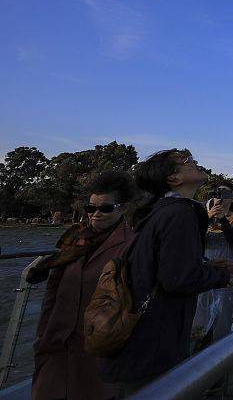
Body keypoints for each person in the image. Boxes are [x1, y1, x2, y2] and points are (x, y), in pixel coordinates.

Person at [100, 150, 233, 396]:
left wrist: (205, 267)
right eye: (187, 162)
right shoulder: (179, 213)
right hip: (154, 341)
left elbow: (166, 267)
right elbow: (176, 279)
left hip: (140, 339)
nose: (195, 161)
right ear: (173, 179)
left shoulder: (164, 211)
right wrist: (221, 277)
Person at [29, 170, 135, 400]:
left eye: (105, 208)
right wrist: (42, 335)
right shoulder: (74, 240)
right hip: (56, 344)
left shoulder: (131, 245)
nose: (95, 214)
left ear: (123, 208)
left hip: (97, 350)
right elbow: (53, 291)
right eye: (91, 208)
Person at [192, 183, 233, 349]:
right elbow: (194, 239)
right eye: (218, 193)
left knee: (223, 314)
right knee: (200, 313)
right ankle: (196, 350)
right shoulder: (203, 215)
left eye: (226, 193)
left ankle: (219, 353)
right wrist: (207, 218)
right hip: (205, 268)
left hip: (229, 269)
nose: (221, 197)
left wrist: (223, 220)